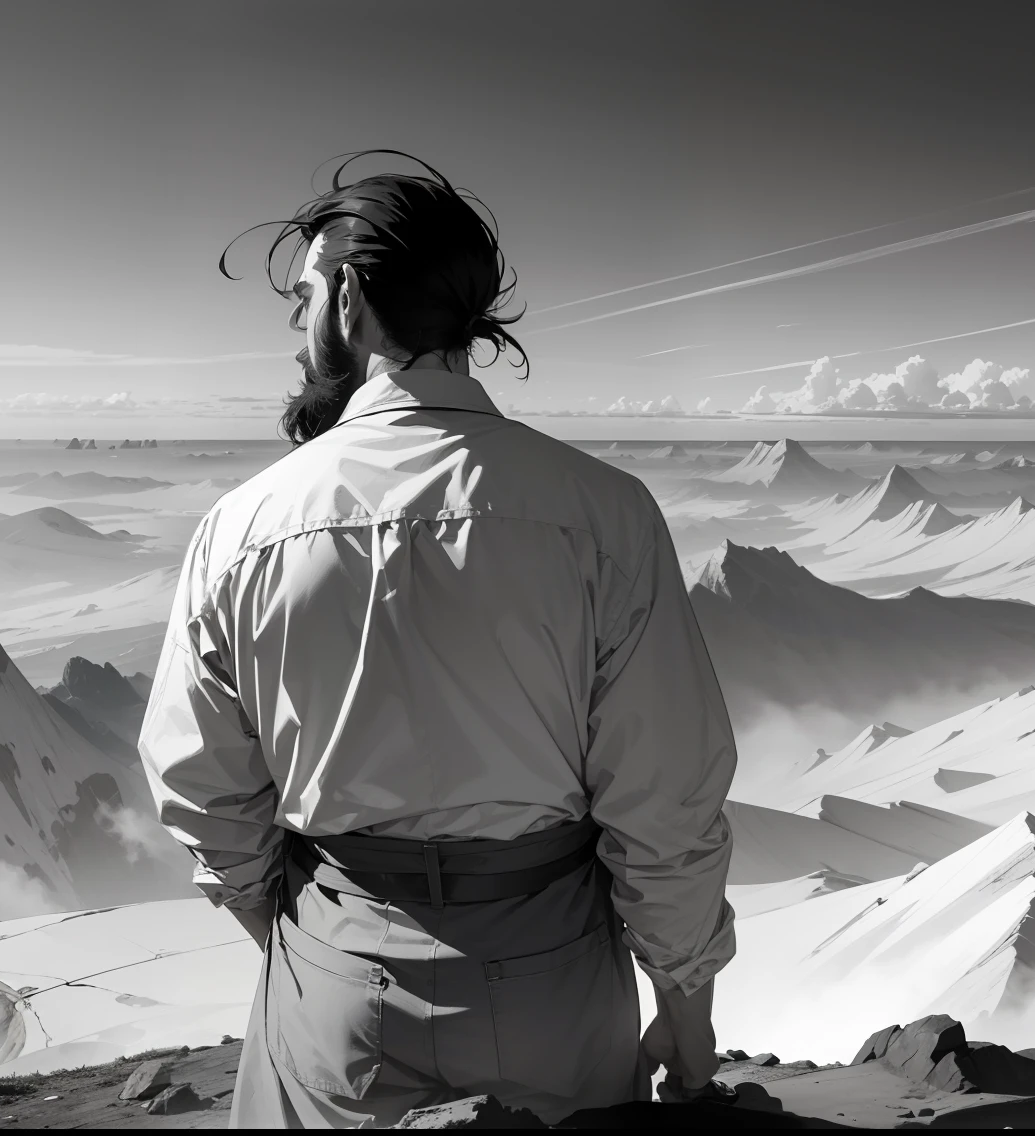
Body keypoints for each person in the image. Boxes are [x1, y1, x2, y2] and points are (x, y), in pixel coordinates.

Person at [139, 152, 737, 1128]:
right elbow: (664, 795)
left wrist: (298, 943)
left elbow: (200, 789)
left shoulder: (241, 527)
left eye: (304, 302)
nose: (299, 332)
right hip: (558, 977)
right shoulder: (605, 514)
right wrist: (685, 1007)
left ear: (346, 298)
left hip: (334, 966)